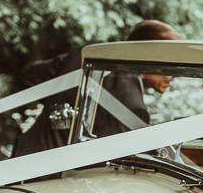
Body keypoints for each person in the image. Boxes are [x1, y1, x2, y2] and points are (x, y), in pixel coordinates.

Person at [12, 20, 180, 157]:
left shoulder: (88, 55)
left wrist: (61, 100)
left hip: (23, 159)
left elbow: (28, 76)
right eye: (169, 62)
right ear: (148, 55)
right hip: (55, 181)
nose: (172, 74)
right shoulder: (130, 100)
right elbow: (122, 159)